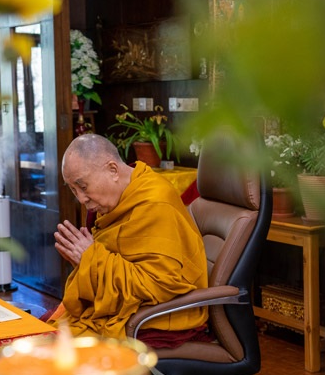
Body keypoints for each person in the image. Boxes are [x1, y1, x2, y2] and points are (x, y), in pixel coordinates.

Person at [49, 133, 209, 340]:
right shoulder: (118, 200)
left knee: (63, 352)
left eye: (83, 186)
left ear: (113, 170)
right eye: (73, 189)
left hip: (162, 313)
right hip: (128, 307)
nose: (81, 199)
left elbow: (158, 285)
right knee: (45, 336)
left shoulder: (154, 203)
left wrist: (92, 259)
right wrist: (87, 262)